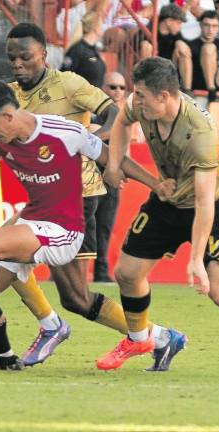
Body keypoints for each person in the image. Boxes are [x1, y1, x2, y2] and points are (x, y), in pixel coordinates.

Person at [0, 78, 171, 358]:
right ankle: (5, 358)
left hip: (64, 230)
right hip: (33, 222)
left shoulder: (65, 133)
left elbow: (115, 159)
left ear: (8, 116)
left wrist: (155, 184)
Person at [0, 23, 187, 372]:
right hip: (41, 202)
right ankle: (43, 329)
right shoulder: (6, 96)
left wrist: (86, 145)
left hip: (78, 196)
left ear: (44, 53)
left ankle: (154, 336)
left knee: (75, 296)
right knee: (4, 266)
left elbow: (114, 115)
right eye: (12, 58)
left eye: (26, 57)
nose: (18, 64)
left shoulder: (68, 83)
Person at [98, 56, 219, 380]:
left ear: (164, 96)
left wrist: (196, 261)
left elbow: (204, 203)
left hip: (210, 205)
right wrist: (115, 164)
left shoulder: (201, 134)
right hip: (169, 198)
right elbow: (120, 124)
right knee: (127, 272)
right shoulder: (141, 103)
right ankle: (140, 339)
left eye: (142, 95)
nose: (136, 101)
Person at [92, 72, 127, 283]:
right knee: (80, 228)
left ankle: (101, 272)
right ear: (102, 89)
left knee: (104, 228)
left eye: (122, 87)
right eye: (113, 87)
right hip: (89, 178)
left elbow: (124, 148)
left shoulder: (125, 116)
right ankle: (63, 272)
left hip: (111, 178)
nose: (117, 92)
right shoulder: (92, 114)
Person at [135, 4, 193, 94]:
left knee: (182, 48)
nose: (180, 26)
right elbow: (134, 47)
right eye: (179, 23)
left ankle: (187, 90)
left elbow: (185, 50)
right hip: (151, 70)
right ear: (169, 21)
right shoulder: (148, 30)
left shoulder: (176, 34)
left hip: (169, 70)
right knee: (146, 45)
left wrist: (180, 43)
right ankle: (146, 86)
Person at [60, 11, 106, 88]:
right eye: (101, 26)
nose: (102, 29)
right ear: (95, 28)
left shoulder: (94, 51)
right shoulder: (77, 49)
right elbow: (64, 75)